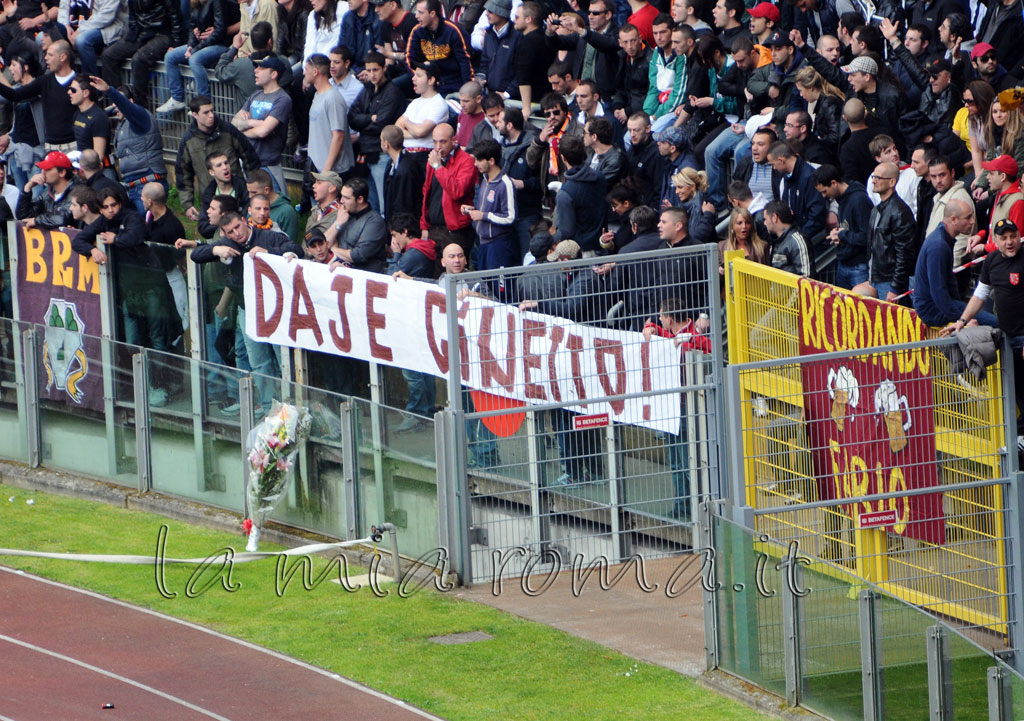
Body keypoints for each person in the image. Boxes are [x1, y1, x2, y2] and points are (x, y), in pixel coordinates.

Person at [190, 211, 303, 413]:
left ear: (244, 221)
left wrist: (269, 252)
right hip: (247, 309)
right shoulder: (228, 244)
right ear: (224, 233)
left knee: (282, 357)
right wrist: (217, 250)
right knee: (257, 359)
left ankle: (292, 405)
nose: (236, 233)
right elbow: (196, 255)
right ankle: (269, 405)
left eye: (237, 227)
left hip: (275, 308)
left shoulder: (267, 235)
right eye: (230, 232)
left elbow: (295, 248)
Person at [949, 219, 1024, 446]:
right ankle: (1019, 440)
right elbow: (980, 295)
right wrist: (961, 321)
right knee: (1016, 389)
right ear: (996, 240)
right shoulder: (991, 261)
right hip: (1008, 338)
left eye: (1013, 236)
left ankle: (1020, 439)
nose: (1010, 242)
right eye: (1004, 238)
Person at [642, 295, 711, 519]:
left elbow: (706, 352)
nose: (658, 319)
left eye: (661, 316)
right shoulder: (672, 333)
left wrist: (684, 343)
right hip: (673, 407)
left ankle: (698, 510)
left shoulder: (696, 336)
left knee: (687, 459)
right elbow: (653, 327)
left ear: (671, 319)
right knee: (676, 460)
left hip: (689, 407)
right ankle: (682, 507)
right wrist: (649, 327)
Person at [88, 76, 167, 214]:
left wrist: (109, 91)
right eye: (113, 103)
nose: (115, 106)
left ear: (130, 102)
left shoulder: (141, 117)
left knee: (149, 231)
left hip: (146, 185)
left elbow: (126, 106)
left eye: (118, 102)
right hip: (132, 187)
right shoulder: (123, 123)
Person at [915, 198, 998, 327]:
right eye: (968, 217)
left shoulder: (942, 239)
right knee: (996, 323)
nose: (972, 222)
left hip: (938, 306)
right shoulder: (938, 246)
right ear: (953, 220)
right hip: (933, 311)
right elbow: (939, 292)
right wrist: (962, 320)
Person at [176, 96, 261, 221]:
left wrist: (254, 191)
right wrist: (187, 204)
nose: (211, 115)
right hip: (209, 198)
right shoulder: (189, 141)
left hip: (237, 195)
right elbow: (183, 174)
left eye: (212, 111)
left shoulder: (228, 130)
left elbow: (250, 158)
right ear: (195, 115)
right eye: (206, 112)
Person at [349, 51, 405, 212]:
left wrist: (365, 121)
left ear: (384, 68)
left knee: (383, 205)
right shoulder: (366, 90)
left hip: (383, 154)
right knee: (370, 204)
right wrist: (370, 118)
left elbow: (381, 124)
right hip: (366, 153)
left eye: (375, 70)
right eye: (368, 70)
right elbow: (351, 117)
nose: (372, 74)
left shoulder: (392, 92)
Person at [0, 40, 77, 153]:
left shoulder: (80, 82)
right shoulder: (44, 81)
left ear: (63, 57)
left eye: (50, 55)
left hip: (74, 145)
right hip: (51, 148)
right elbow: (15, 95)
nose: (45, 58)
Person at [98, 0, 179, 105]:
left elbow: (176, 19)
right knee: (108, 55)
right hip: (140, 32)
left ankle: (138, 107)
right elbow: (133, 17)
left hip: (163, 34)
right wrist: (132, 34)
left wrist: (176, 44)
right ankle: (117, 103)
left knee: (139, 60)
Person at [157, 0, 230, 114]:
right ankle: (177, 99)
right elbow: (192, 27)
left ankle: (203, 102)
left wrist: (195, 49)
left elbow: (220, 30)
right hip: (200, 43)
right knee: (170, 56)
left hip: (221, 44)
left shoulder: (217, 2)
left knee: (195, 59)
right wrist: (191, 45)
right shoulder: (194, 3)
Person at [233, 55, 293, 194]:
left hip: (268, 165)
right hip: (247, 161)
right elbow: (234, 122)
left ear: (274, 74)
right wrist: (252, 122)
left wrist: (243, 130)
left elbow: (263, 131)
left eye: (261, 68)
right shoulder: (255, 95)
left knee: (276, 204)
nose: (256, 71)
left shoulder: (282, 99)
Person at [419, 123, 478, 258]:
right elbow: (427, 193)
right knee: (435, 274)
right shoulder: (433, 160)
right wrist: (424, 225)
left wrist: (438, 167)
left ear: (454, 140)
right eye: (435, 142)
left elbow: (457, 191)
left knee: (454, 274)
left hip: (456, 231)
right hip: (434, 228)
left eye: (443, 142)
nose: (438, 147)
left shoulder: (466, 161)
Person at [813, 164, 873, 289]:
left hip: (858, 266)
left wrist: (841, 234)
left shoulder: (858, 200)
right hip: (844, 262)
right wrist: (839, 234)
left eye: (824, 191)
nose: (824, 196)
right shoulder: (842, 199)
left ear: (834, 183)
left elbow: (866, 237)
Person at [867, 161, 917, 301]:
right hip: (875, 278)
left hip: (889, 282)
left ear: (892, 182)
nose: (874, 181)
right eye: (873, 177)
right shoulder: (876, 210)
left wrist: (895, 287)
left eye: (878, 178)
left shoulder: (900, 212)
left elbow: (904, 253)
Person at [464, 139, 516, 271]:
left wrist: (484, 215)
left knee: (500, 289)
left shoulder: (505, 183)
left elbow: (510, 217)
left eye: (479, 160)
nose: (475, 164)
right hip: (483, 243)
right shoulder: (485, 179)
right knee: (484, 285)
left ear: (491, 161)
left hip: (499, 245)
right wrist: (471, 210)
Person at [405, 0, 473, 95]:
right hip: (430, 83)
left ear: (432, 13)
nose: (416, 16)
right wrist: (420, 77)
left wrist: (467, 91)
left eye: (420, 12)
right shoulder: (417, 31)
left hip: (455, 84)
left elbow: (465, 62)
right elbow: (408, 58)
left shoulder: (453, 31)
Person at [552, 135, 606, 254]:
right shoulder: (600, 177)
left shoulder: (565, 193)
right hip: (602, 245)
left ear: (563, 158)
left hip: (581, 253)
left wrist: (551, 240)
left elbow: (566, 230)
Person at [766, 139, 828, 241]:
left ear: (781, 160)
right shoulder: (787, 177)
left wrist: (799, 238)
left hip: (810, 239)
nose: (774, 168)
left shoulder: (809, 177)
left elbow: (816, 214)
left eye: (773, 164)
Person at [325, 177, 389, 273]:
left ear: (360, 199)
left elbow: (357, 256)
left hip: (363, 276)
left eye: (346, 198)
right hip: (338, 271)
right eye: (341, 196)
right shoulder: (342, 213)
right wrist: (337, 224)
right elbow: (321, 245)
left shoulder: (375, 223)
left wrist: (333, 249)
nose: (341, 201)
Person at [17, 151, 77, 229]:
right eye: (42, 169)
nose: (43, 172)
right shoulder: (46, 194)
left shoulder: (78, 192)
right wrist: (27, 188)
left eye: (47, 169)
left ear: (62, 172)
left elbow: (63, 219)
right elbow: (23, 217)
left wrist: (37, 221)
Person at [197, 152, 250, 238]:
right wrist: (224, 228)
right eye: (219, 165)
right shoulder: (209, 193)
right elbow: (203, 227)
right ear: (211, 172)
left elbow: (248, 219)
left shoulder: (242, 188)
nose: (225, 167)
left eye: (226, 163)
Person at [381, 124, 425, 218]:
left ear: (386, 144)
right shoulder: (392, 164)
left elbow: (404, 203)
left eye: (381, 139)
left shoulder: (406, 169)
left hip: (403, 225)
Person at [246, 169, 299, 242]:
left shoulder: (286, 212)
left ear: (267, 190)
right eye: (249, 192)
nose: (250, 196)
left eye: (254, 193)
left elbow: (290, 244)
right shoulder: (252, 207)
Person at [763, 200, 811, 276]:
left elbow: (807, 277)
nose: (764, 223)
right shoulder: (775, 241)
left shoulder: (797, 241)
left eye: (765, 219)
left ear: (774, 218)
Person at [68, 77, 110, 159]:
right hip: (83, 164)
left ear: (85, 93)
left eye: (73, 90)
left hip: (97, 167)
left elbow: (98, 156)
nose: (69, 92)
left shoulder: (98, 117)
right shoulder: (77, 113)